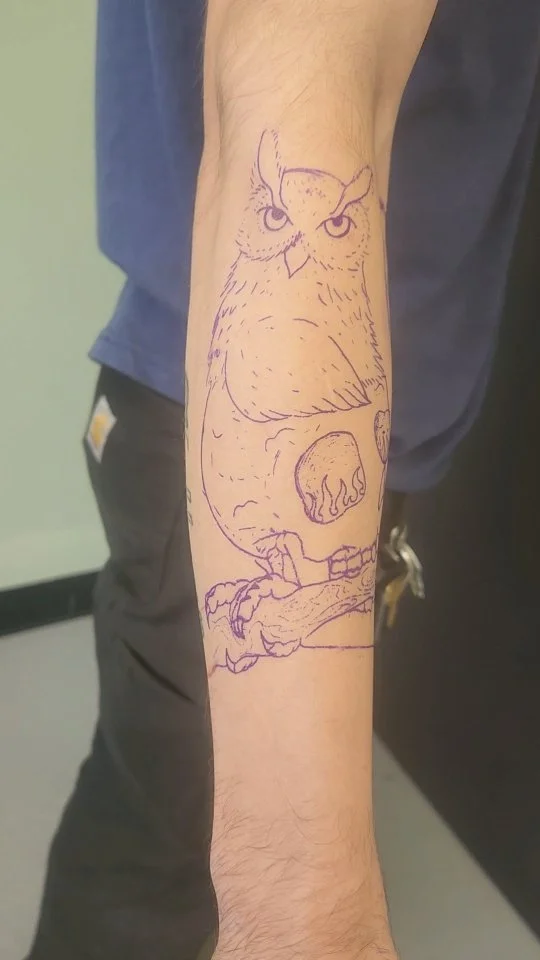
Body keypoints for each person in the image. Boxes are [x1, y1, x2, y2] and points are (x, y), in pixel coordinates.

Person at [27, 1, 540, 959]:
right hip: (216, 444)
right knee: (153, 848)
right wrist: (308, 916)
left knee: (153, 799)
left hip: (256, 436)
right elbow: (292, 78)